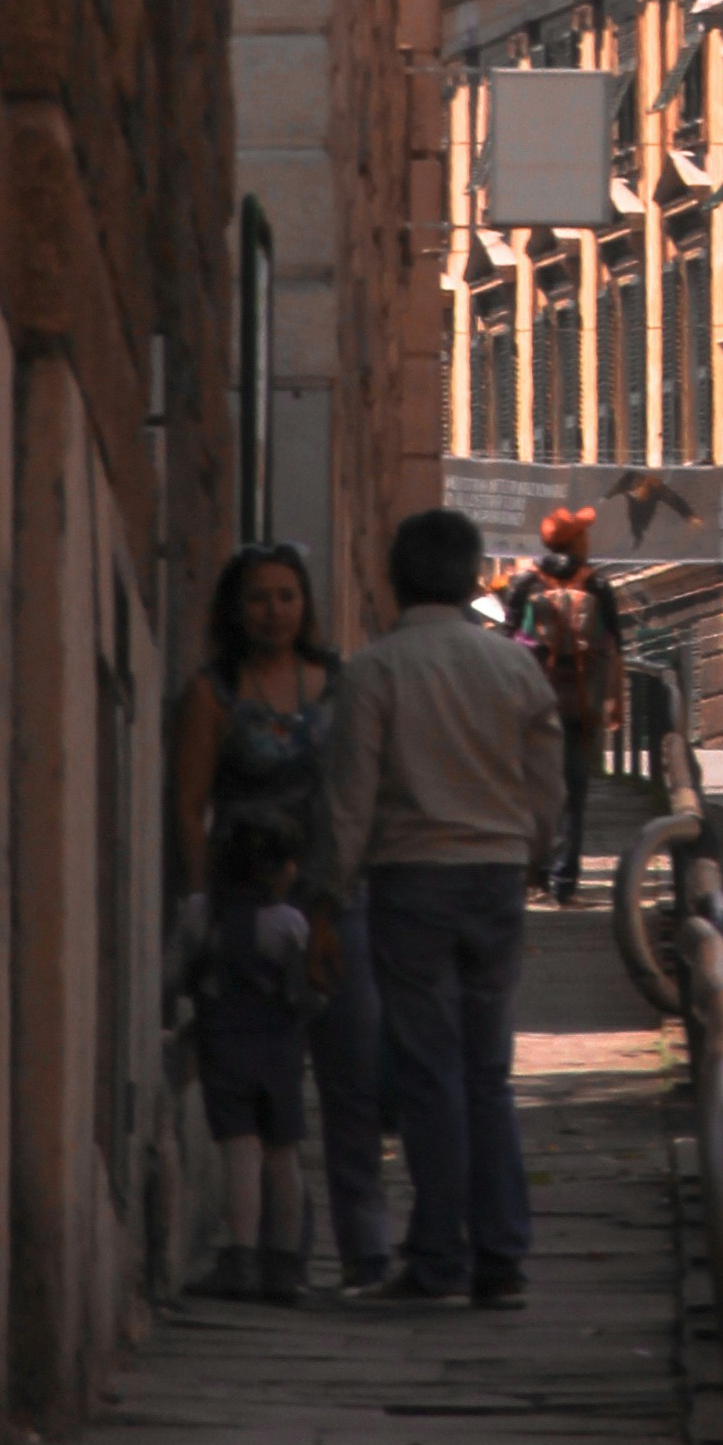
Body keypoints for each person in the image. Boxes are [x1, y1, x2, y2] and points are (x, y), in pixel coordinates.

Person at [325, 505, 564, 1308]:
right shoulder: (513, 667)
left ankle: (437, 1260)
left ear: (394, 578)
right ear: (472, 580)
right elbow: (546, 784)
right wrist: (533, 851)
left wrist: (332, 890)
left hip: (413, 880)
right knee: (487, 1073)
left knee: (430, 1073)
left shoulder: (374, 671)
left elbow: (351, 800)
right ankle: (502, 1258)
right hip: (495, 877)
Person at [170, 545, 394, 1294]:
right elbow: (189, 803)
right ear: (236, 609)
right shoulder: (214, 693)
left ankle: (363, 1253)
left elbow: (364, 785)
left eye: (288, 596)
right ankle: (274, 1257)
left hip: (336, 896)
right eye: (260, 597)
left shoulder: (338, 687)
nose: (275, 610)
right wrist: (201, 900)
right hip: (246, 907)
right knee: (257, 1087)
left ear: (307, 606)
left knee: (349, 1075)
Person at [183, 819, 318, 1300]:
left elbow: (178, 971)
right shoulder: (290, 924)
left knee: (240, 1151)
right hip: (278, 1049)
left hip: (224, 1043)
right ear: (282, 871)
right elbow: (305, 989)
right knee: (283, 1154)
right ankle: (283, 1266)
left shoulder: (201, 914)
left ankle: (239, 1260)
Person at [504, 508, 627, 904]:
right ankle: (564, 886)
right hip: (580, 706)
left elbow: (508, 642)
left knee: (530, 793)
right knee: (574, 796)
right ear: (576, 542)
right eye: (584, 535)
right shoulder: (597, 586)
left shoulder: (524, 583)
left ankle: (531, 881)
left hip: (532, 706)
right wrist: (614, 704)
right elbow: (615, 649)